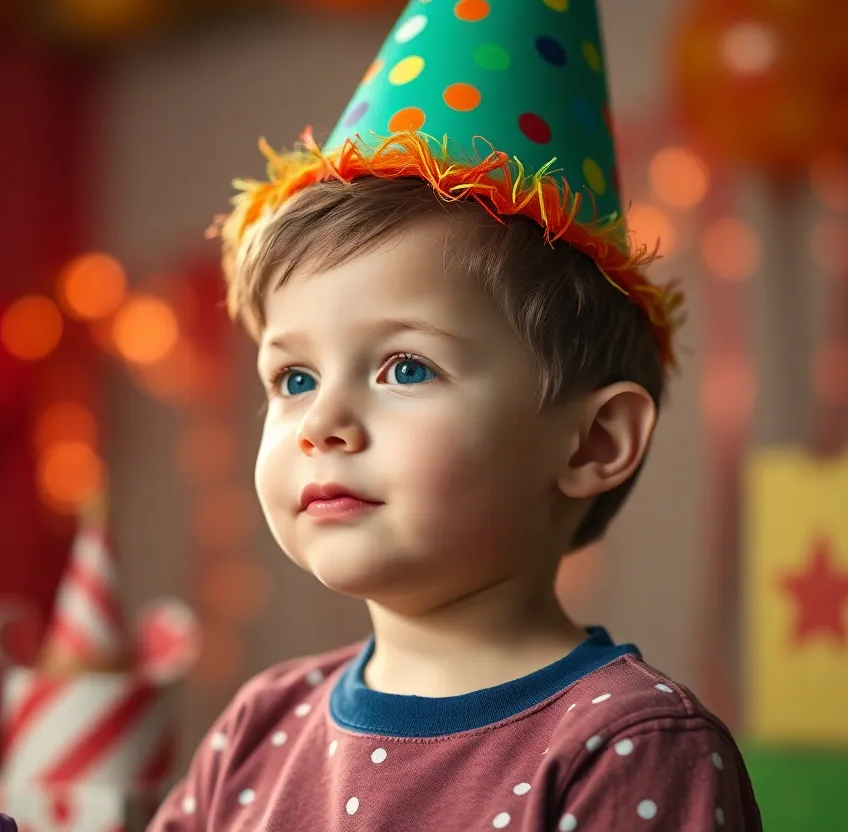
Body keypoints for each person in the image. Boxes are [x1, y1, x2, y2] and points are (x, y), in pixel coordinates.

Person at [149, 0, 761, 828]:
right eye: (293, 377)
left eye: (406, 368)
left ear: (593, 441)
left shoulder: (628, 748)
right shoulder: (260, 725)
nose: (321, 422)